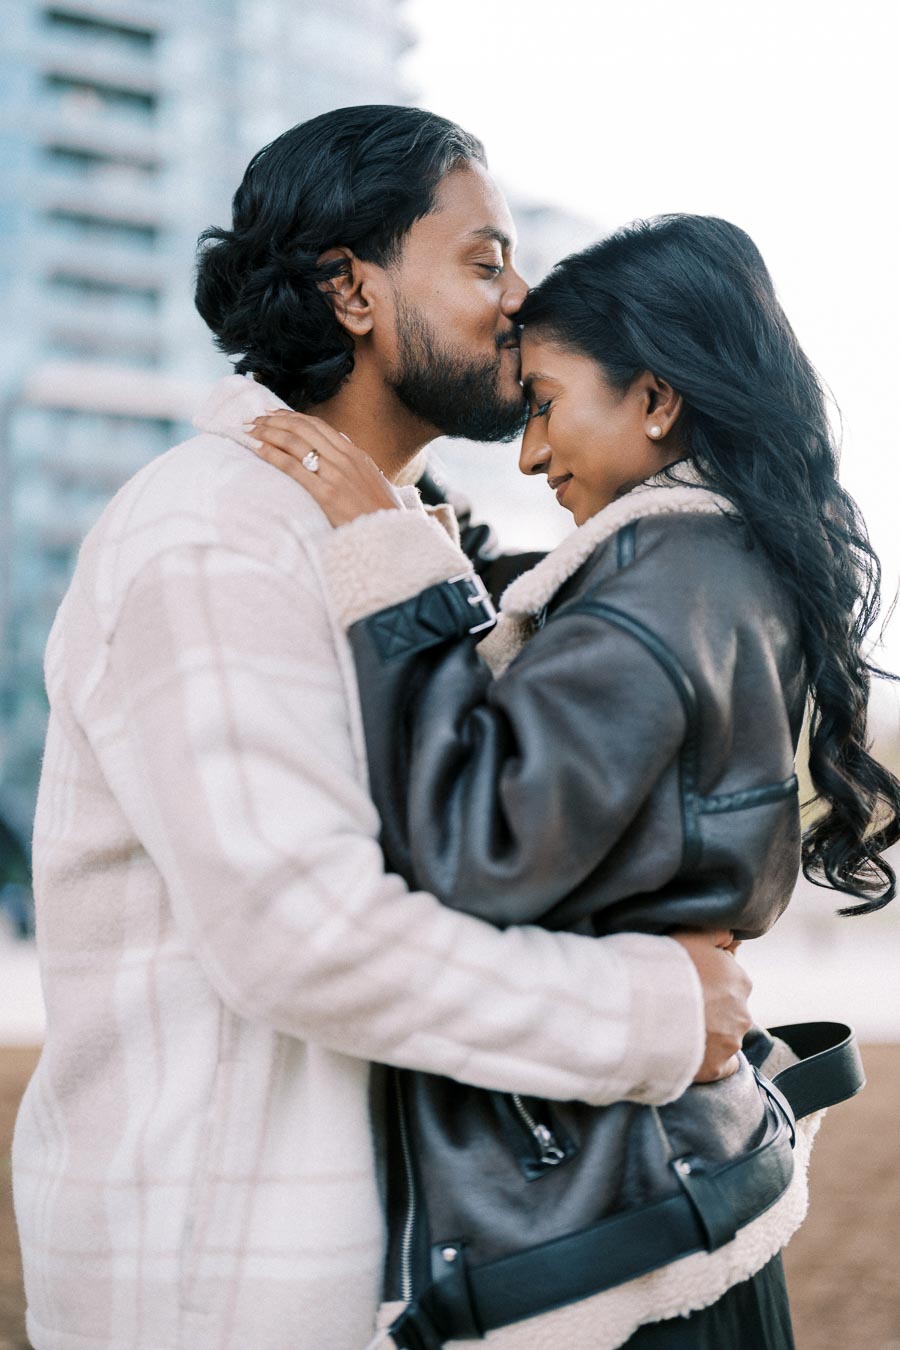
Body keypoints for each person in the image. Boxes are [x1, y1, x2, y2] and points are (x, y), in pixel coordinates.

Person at [11, 110, 751, 1350]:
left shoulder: (391, 533)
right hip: (227, 1292)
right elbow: (303, 937)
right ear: (350, 290)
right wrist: (657, 1018)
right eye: (481, 259)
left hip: (384, 1285)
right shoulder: (213, 532)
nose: (519, 299)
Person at [249, 212, 900, 1348]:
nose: (532, 455)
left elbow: (478, 848)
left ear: (655, 398)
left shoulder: (669, 574)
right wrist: (434, 545)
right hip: (665, 1199)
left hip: (624, 1240)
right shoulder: (702, 559)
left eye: (544, 404)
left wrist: (387, 566)